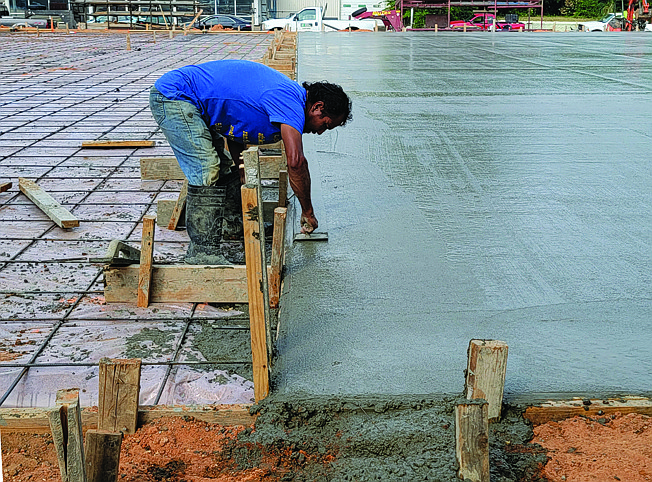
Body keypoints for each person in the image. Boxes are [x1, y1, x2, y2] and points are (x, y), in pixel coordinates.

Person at [149, 59, 352, 264]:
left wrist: (241, 171)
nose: (319, 132)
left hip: (193, 100)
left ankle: (236, 226)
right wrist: (308, 212)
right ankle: (202, 253)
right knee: (206, 168)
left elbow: (237, 130)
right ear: (317, 107)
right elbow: (296, 162)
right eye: (325, 124)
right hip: (175, 96)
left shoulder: (290, 98)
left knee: (223, 167)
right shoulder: (291, 104)